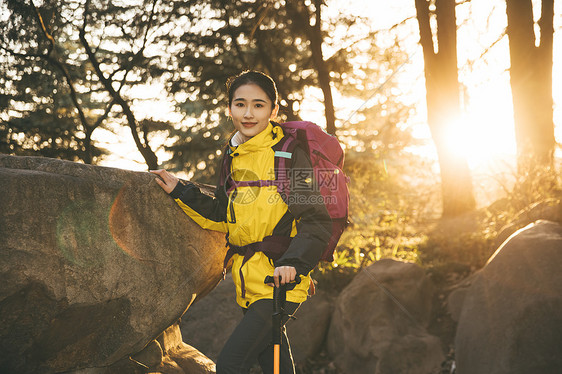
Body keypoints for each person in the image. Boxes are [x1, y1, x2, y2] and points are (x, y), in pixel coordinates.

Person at [151, 71, 331, 374]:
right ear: (230, 107)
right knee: (275, 363)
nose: (248, 113)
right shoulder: (232, 155)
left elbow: (316, 219)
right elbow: (224, 213)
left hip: (281, 281)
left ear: (274, 111)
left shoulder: (289, 154)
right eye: (240, 104)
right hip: (249, 280)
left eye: (259, 105)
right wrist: (180, 190)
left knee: (232, 364)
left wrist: (294, 263)